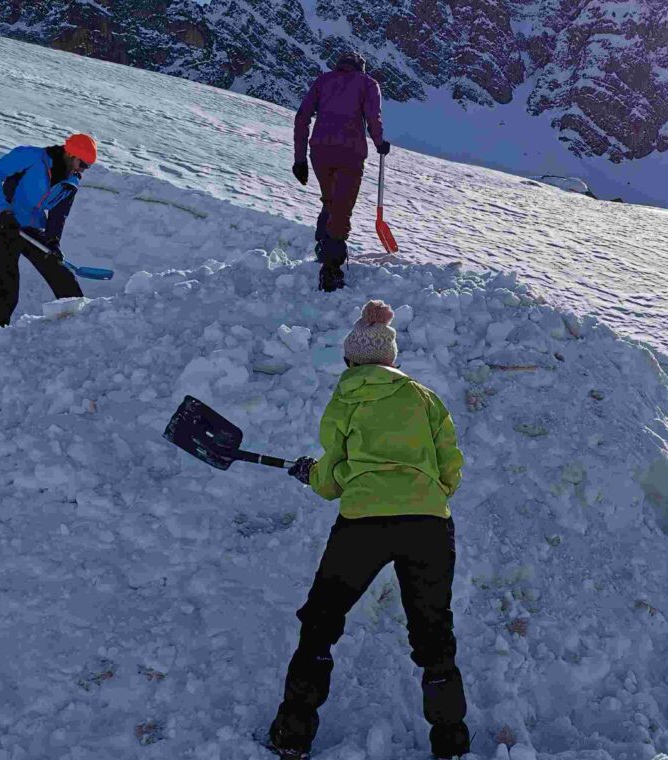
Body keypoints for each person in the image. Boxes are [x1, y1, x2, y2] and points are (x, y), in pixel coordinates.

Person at [268, 300, 470, 760]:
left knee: (321, 622)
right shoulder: (423, 396)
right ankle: (451, 744)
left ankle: (293, 735)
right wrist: (427, 493)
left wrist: (312, 474)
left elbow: (333, 475)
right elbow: (450, 463)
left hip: (363, 524)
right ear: (391, 359)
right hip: (428, 525)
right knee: (433, 632)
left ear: (350, 360)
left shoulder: (345, 398)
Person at [293, 50, 392, 292]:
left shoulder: (323, 80)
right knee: (342, 208)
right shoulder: (368, 84)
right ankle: (331, 270)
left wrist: (300, 160)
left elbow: (302, 117)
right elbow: (373, 117)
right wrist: (379, 143)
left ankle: (322, 246)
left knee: (331, 199)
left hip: (319, 152)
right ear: (361, 68)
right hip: (350, 152)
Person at [0, 134, 97, 332]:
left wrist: (53, 241)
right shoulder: (31, 157)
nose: (82, 170)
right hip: (4, 222)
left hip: (30, 228)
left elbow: (58, 215)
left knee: (63, 277)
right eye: (83, 164)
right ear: (70, 153)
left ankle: (81, 329)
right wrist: (3, 209)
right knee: (6, 285)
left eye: (87, 167)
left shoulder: (71, 182)